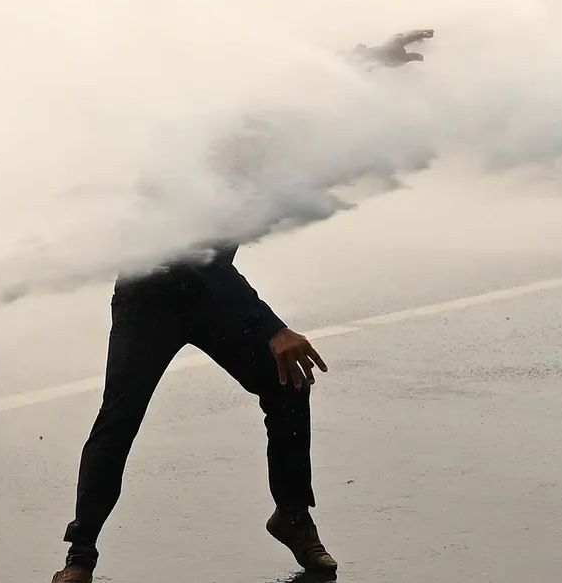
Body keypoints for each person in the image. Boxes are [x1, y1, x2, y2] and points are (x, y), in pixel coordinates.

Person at [50, 30, 433, 583]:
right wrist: (275, 328)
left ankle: (293, 515)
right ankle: (80, 555)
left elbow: (308, 93)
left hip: (208, 295)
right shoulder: (186, 159)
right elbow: (198, 256)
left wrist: (371, 60)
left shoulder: (261, 129)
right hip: (151, 296)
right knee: (120, 418)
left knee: (286, 385)